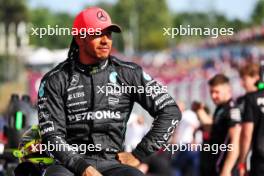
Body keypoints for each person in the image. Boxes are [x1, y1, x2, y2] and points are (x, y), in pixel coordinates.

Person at [37, 6, 181, 176]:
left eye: (109, 34)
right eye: (98, 34)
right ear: (79, 38)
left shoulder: (128, 73)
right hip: (69, 165)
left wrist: (139, 154)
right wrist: (82, 168)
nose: (106, 40)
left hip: (114, 163)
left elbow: (170, 111)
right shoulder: (55, 79)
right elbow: (51, 136)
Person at [194, 74, 241, 176]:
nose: (213, 96)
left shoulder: (232, 109)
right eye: (211, 92)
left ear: (228, 90)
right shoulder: (220, 108)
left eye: (216, 92)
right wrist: (199, 111)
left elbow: (235, 142)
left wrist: (226, 169)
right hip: (214, 166)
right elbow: (213, 129)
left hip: (223, 168)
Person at [236, 63, 259, 176]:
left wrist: (242, 162)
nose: (242, 83)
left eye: (245, 79)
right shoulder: (240, 100)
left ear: (256, 77)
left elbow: (246, 133)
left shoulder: (248, 100)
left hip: (254, 155)